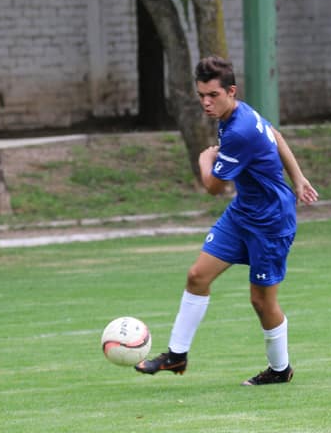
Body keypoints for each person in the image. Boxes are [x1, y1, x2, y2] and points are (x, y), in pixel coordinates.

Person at [135, 56, 318, 385]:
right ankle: (177, 356)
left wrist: (204, 158)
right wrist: (299, 177)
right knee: (197, 276)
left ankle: (280, 370)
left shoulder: (240, 130)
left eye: (212, 95)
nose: (206, 102)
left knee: (261, 301)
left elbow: (213, 187)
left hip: (271, 221)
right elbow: (275, 134)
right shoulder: (238, 112)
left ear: (230, 91)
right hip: (242, 214)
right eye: (201, 95)